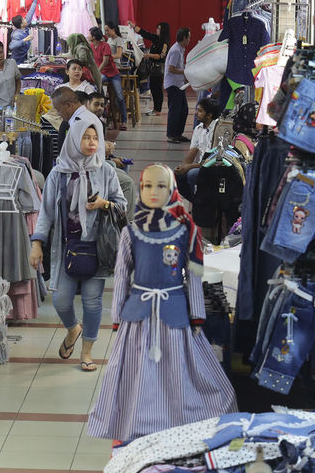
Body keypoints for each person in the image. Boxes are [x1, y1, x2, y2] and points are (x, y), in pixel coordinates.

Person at [87, 164, 237, 442]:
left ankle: (175, 418)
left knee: (177, 370)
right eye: (147, 186)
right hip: (138, 315)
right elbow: (121, 276)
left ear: (171, 190)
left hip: (175, 313)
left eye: (161, 186)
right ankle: (137, 420)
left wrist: (197, 315)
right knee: (136, 370)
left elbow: (194, 275)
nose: (153, 191)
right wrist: (117, 315)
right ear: (140, 189)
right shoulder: (130, 233)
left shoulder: (186, 232)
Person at [30, 110, 127, 372]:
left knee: (93, 301)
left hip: (97, 248)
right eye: (85, 137)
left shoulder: (105, 170)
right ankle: (73, 329)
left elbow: (122, 203)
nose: (92, 142)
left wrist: (104, 203)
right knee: (61, 300)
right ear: (73, 140)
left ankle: (87, 351)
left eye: (95, 137)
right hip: (67, 248)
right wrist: (37, 243)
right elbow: (46, 212)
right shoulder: (59, 174)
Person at [174, 98, 222, 202]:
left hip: (214, 167)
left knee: (192, 174)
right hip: (200, 165)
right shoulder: (199, 128)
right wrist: (183, 167)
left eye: (200, 111)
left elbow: (213, 160)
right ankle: (197, 202)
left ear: (209, 115)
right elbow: (193, 150)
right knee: (177, 175)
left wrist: (190, 167)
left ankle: (201, 203)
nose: (196, 113)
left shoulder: (219, 130)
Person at [89, 26, 127, 131]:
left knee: (119, 96)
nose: (88, 36)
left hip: (112, 73)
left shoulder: (105, 45)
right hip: (102, 72)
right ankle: (102, 108)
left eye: (89, 34)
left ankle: (124, 121)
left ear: (94, 36)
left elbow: (105, 61)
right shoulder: (91, 46)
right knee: (95, 88)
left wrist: (97, 72)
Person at [130, 21, 170, 115]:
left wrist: (149, 55)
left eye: (159, 28)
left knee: (157, 89)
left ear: (163, 30)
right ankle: (155, 109)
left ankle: (158, 110)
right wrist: (133, 26)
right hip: (152, 68)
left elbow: (161, 56)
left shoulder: (165, 42)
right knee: (153, 88)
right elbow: (145, 33)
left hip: (158, 68)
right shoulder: (156, 39)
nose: (157, 30)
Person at [164, 27, 191, 144]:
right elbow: (171, 69)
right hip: (173, 85)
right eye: (189, 37)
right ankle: (171, 135)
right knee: (175, 110)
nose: (189, 40)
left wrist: (184, 77)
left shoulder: (180, 49)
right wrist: (186, 72)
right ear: (184, 38)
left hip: (179, 84)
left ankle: (178, 134)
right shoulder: (175, 50)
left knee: (183, 110)